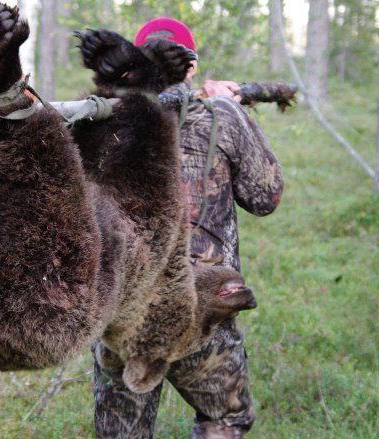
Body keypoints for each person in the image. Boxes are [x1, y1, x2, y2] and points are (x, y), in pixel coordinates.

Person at [92, 17, 284, 438]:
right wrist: (238, 114)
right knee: (226, 419)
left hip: (123, 310)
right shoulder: (222, 115)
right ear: (190, 66)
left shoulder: (101, 118)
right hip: (203, 307)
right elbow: (265, 199)